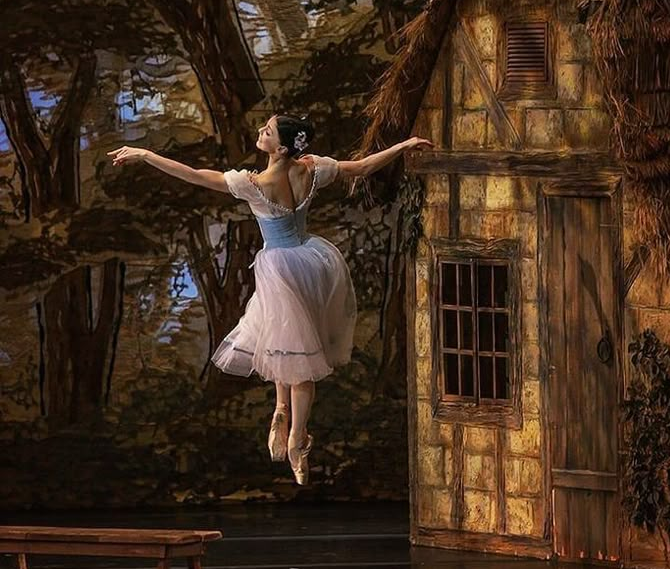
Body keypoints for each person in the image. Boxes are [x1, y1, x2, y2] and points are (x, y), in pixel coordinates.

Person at [108, 115, 433, 484]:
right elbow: (362, 166)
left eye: (268, 131)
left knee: (292, 349)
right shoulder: (312, 170)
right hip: (310, 260)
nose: (261, 131)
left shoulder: (255, 184)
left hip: (279, 266)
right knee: (295, 344)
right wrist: (404, 145)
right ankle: (291, 425)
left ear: (280, 147)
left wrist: (147, 154)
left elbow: (196, 175)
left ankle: (293, 429)